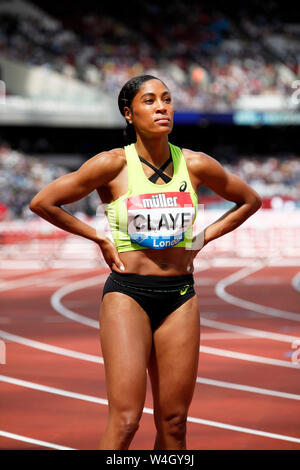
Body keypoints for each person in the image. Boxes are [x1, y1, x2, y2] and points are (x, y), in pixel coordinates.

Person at [29, 74, 262, 450]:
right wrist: (98, 238)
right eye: (150, 101)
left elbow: (250, 200)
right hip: (128, 295)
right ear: (128, 113)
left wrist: (204, 237)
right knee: (125, 421)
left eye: (167, 99)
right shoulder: (112, 165)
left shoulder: (196, 164)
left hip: (180, 296)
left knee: (175, 422)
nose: (161, 107)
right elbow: (42, 202)